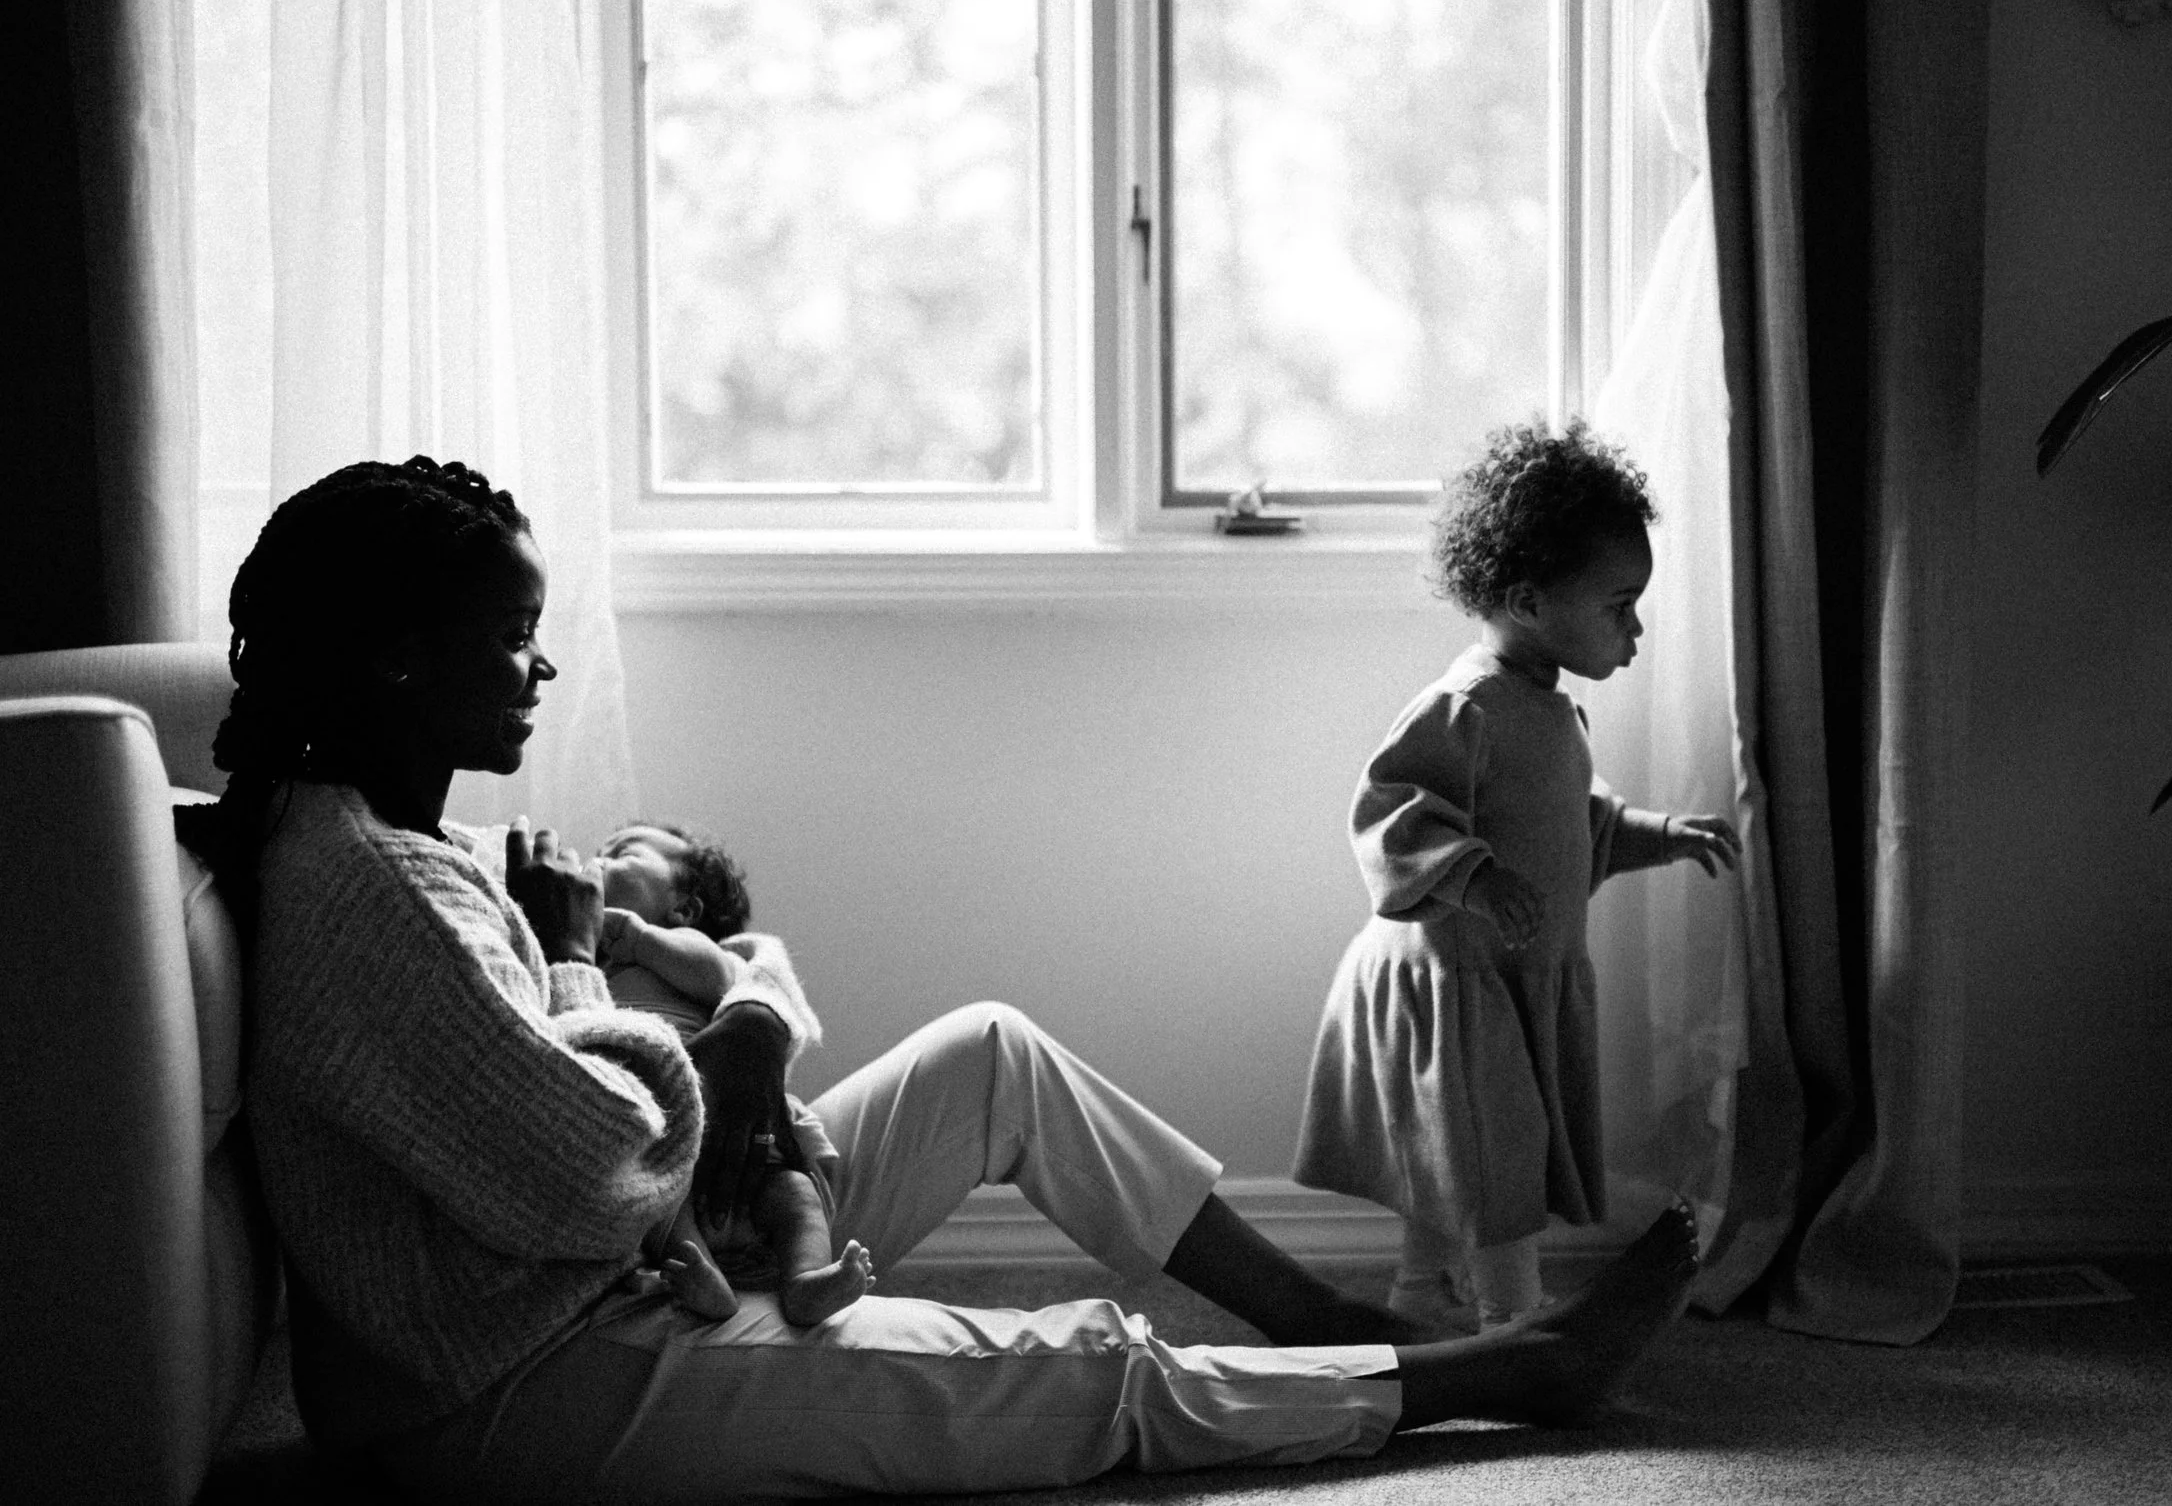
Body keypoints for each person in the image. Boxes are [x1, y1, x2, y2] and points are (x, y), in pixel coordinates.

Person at [192, 455, 1707, 1503]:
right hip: (518, 1391)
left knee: (991, 1047)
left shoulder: (400, 837)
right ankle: (1500, 1374)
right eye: (512, 638)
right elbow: (597, 1161)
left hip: (611, 1278)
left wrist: (731, 1033)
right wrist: (641, 991)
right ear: (396, 660)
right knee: (1065, 1373)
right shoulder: (368, 890)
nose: (540, 668)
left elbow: (674, 1055)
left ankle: (1320, 1307)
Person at [1294, 418, 1740, 1334]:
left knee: (1452, 1149)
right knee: (1492, 1155)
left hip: (1499, 977)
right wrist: (1473, 875)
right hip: (1449, 979)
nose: (1636, 626)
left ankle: (1422, 1298)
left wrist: (1661, 833)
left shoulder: (1548, 709)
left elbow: (1578, 825)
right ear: (1531, 601)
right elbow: (1391, 809)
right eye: (1619, 604)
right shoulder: (1468, 706)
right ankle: (1513, 1321)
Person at [592, 819, 874, 1326]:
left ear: (683, 908)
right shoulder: (584, 967)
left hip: (736, 1130)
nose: (598, 859)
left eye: (622, 852)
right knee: (657, 1209)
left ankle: (807, 1279)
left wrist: (639, 941)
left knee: (794, 1197)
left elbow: (720, 979)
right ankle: (707, 1286)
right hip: (663, 1145)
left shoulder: (690, 949)